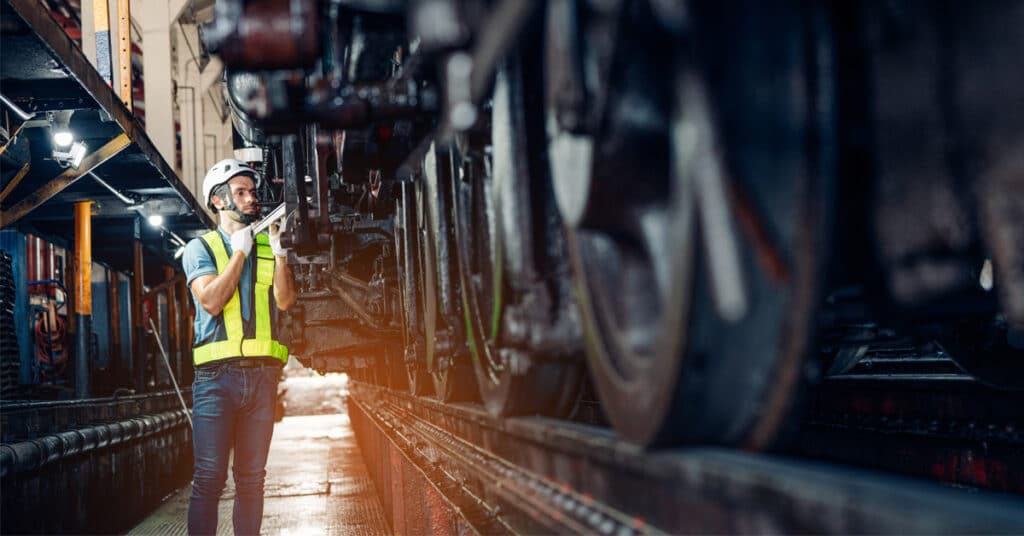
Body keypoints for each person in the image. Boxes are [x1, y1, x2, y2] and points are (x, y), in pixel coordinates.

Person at [182, 158, 297, 535]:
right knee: (210, 479)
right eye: (240, 193)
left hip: (261, 378)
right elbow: (212, 301)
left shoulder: (265, 246)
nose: (252, 199)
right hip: (215, 379)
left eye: (252, 192)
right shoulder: (200, 249)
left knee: (251, 480)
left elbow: (284, 301)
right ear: (218, 202)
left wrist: (279, 253)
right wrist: (239, 253)